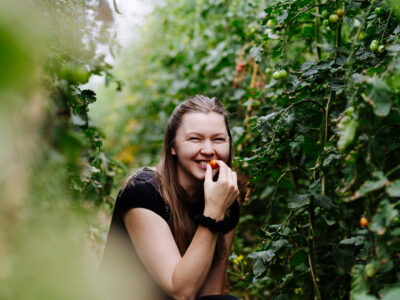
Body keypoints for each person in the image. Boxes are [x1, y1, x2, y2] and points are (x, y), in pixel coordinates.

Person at [98, 95, 241, 300]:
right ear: (172, 146)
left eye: (218, 139)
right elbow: (181, 291)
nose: (209, 150)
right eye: (195, 139)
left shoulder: (225, 199)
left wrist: (219, 206)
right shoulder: (143, 191)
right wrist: (213, 212)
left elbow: (210, 293)